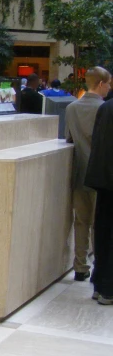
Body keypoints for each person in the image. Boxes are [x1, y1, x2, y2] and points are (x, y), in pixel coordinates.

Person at [65, 67, 108, 282]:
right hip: (103, 175)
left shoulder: (72, 108)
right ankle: (100, 265)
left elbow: (69, 138)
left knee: (81, 222)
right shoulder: (105, 109)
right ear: (101, 84)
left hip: (80, 173)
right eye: (109, 84)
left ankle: (80, 266)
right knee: (100, 224)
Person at [85, 70, 113, 305]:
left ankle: (99, 283)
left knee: (103, 232)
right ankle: (108, 288)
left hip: (103, 180)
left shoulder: (106, 107)